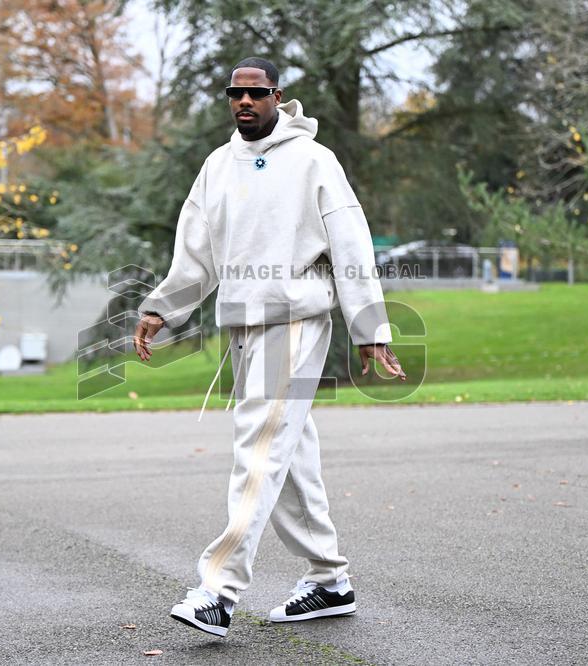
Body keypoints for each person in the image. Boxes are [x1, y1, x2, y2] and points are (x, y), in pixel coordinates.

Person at [132, 56, 406, 638]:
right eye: (235, 93)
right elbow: (196, 252)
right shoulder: (218, 165)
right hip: (242, 329)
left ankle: (218, 589)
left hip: (296, 326)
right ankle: (330, 581)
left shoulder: (314, 161)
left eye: (255, 93)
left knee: (258, 451)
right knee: (287, 455)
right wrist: (161, 307)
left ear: (278, 96)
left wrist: (370, 329)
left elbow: (352, 247)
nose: (244, 102)